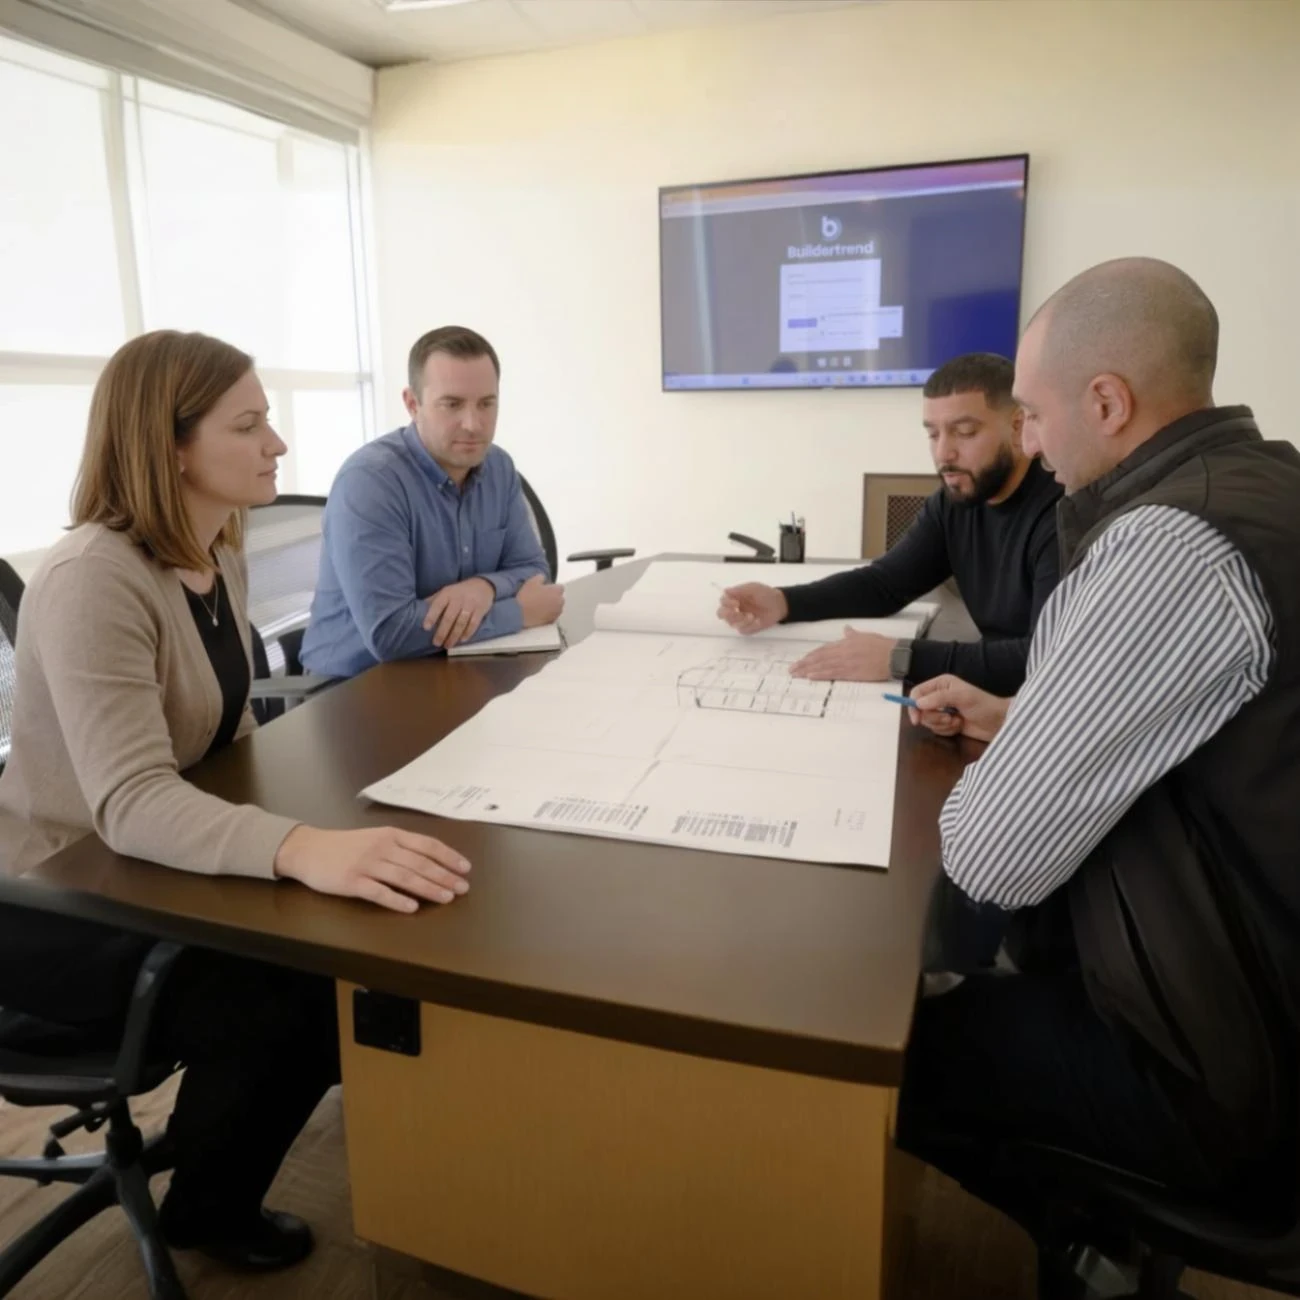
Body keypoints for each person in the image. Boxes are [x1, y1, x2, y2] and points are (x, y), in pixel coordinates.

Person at [0, 331, 473, 1270]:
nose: (279, 447)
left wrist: (323, 832)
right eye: (249, 425)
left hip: (145, 872)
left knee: (363, 934)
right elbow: (132, 800)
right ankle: (207, 1210)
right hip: (59, 905)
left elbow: (226, 738)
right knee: (299, 990)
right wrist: (302, 847)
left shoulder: (214, 546)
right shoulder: (95, 576)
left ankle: (225, 1129)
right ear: (170, 446)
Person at [895, 259, 1300, 1267]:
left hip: (1222, 1068)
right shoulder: (1270, 483)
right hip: (1268, 983)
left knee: (877, 1055)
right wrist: (1031, 714)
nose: (1028, 440)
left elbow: (989, 857)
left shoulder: (1168, 546)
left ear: (1107, 402)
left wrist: (1030, 745)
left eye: (1030, 414)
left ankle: (1092, 1242)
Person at [716, 353, 1061, 695]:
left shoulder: (1062, 514)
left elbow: (1046, 658)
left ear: (1019, 427)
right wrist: (784, 602)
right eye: (933, 434)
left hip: (1043, 710)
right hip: (993, 698)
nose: (944, 453)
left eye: (965, 432)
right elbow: (885, 584)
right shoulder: (954, 500)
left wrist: (902, 657)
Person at [301, 326, 564, 679]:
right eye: (452, 404)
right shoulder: (370, 482)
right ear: (412, 404)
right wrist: (517, 612)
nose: (473, 424)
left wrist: (483, 587)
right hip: (353, 690)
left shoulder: (498, 466)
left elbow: (534, 571)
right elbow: (391, 633)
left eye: (486, 403)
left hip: (454, 669)